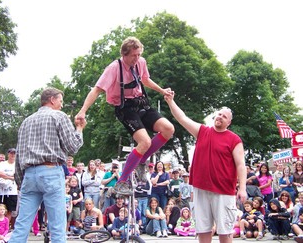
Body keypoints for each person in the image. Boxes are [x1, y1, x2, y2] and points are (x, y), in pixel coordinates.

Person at [76, 36, 174, 195]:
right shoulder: (114, 68)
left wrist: (162, 91)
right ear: (124, 54)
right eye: (134, 55)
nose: (137, 58)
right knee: (145, 141)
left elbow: (146, 79)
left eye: (139, 54)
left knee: (169, 129)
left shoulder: (141, 62)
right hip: (125, 107)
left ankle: (142, 160)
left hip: (142, 103)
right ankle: (122, 182)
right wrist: (83, 110)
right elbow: (96, 90)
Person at [164, 93, 247, 243]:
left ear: (229, 122)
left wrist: (242, 188)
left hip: (223, 191)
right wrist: (170, 102)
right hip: (201, 189)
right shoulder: (203, 131)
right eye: (219, 114)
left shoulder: (234, 139)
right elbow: (182, 118)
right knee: (203, 231)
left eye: (224, 116)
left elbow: (241, 165)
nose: (220, 117)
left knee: (225, 232)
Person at [9, 87, 86, 243]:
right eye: (60, 100)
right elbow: (73, 147)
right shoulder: (59, 116)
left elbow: (19, 155)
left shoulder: (26, 122)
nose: (62, 105)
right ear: (52, 99)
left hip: (29, 174)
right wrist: (79, 129)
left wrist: (20, 182)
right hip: (51, 170)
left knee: (21, 226)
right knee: (57, 225)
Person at [0, 148, 18, 229]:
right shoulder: (2, 164)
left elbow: (16, 176)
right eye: (11, 153)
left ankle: (5, 228)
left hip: (12, 191)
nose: (12, 155)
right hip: (1, 191)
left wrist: (5, 176)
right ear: (8, 154)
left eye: (14, 153)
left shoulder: (17, 164)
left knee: (9, 211)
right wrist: (10, 177)